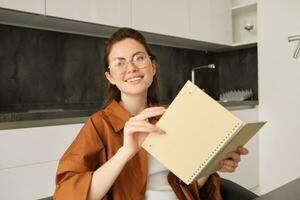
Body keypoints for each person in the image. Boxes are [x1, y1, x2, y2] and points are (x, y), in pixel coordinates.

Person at [54, 27, 248, 200]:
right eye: (119, 63)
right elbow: (67, 195)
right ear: (110, 77)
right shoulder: (98, 125)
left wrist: (213, 163)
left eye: (139, 58)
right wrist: (125, 153)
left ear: (153, 66)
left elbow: (188, 187)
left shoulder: (174, 115)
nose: (131, 68)